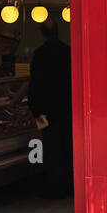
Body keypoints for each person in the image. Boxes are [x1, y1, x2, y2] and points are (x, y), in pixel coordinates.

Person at [27, 21, 73, 198]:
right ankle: (69, 184)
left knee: (50, 145)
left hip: (44, 111)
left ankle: (55, 185)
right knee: (67, 144)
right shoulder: (68, 51)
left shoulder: (39, 54)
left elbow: (35, 85)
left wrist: (35, 112)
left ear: (42, 34)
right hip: (66, 108)